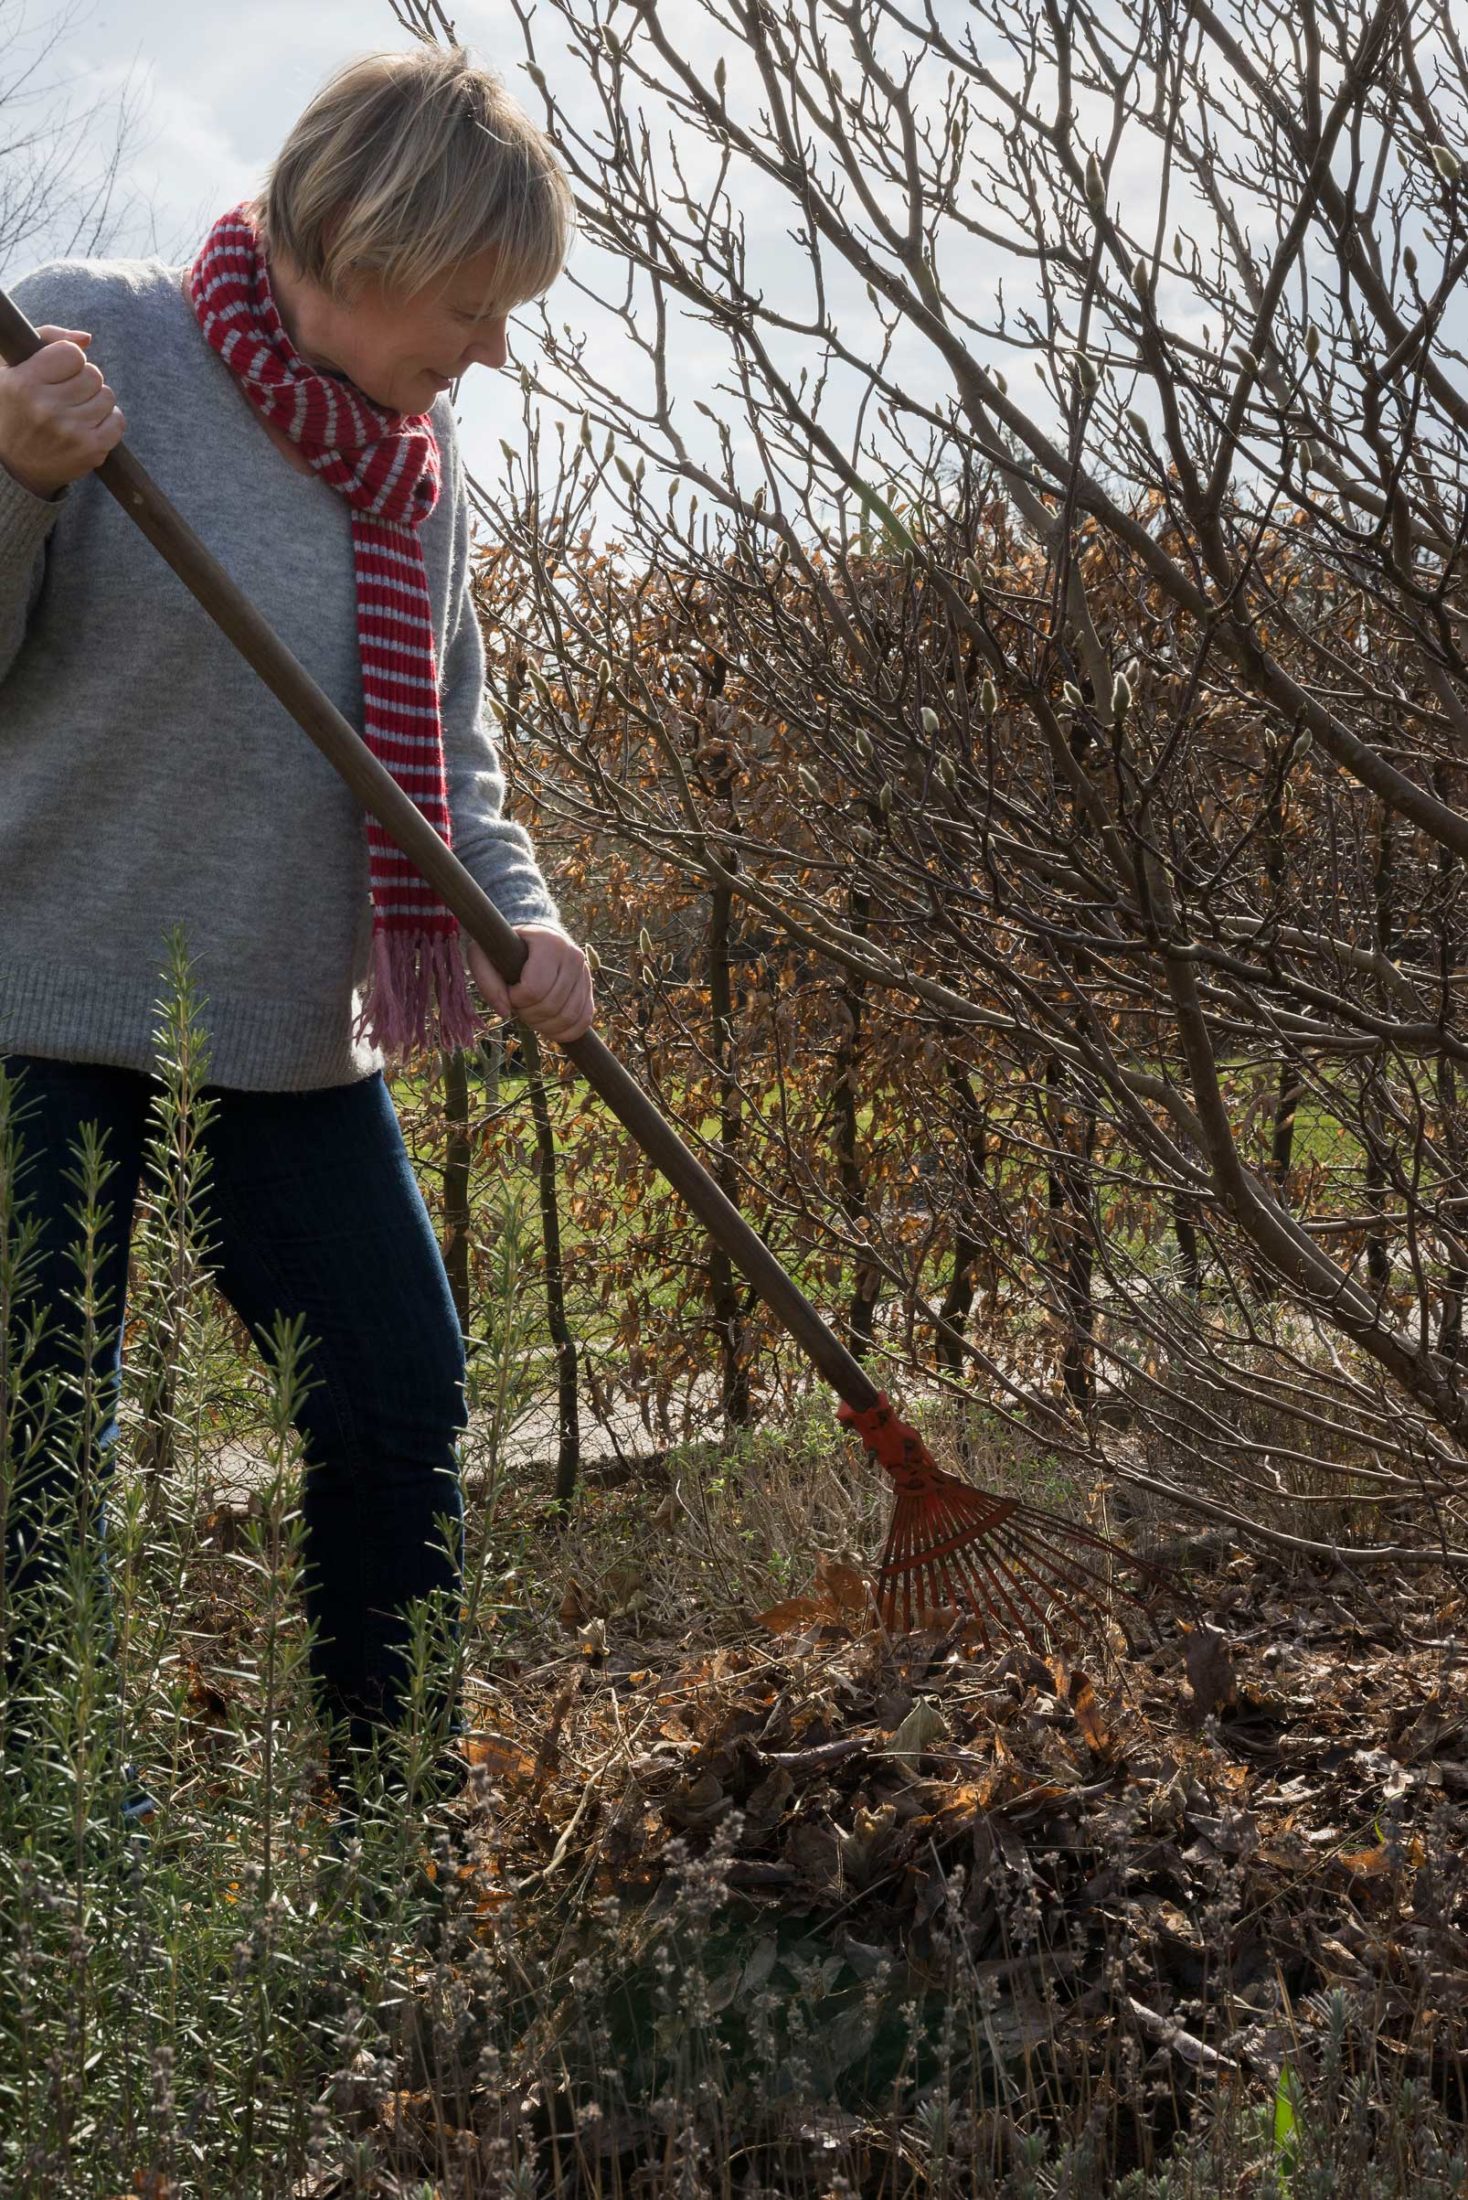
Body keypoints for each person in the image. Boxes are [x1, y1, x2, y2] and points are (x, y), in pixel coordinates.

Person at [0, 43, 594, 1823]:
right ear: (376, 237)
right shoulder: (76, 342)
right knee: (38, 1473)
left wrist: (522, 918)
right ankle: (53, 1880)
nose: (492, 348)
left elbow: (450, 755)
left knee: (401, 1405)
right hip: (39, 1016)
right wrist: (21, 483)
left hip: (283, 1036)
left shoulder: (413, 467)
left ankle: (385, 1848)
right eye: (477, 303)